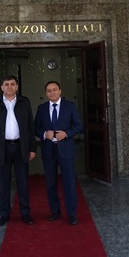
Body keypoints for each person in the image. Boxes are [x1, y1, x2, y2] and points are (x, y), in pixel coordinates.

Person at [0, 74, 36, 226]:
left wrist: (32, 148)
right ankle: (4, 214)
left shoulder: (24, 102)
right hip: (2, 148)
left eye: (12, 84)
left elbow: (30, 127)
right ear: (2, 87)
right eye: (6, 84)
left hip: (21, 147)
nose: (9, 87)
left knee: (23, 182)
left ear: (17, 87)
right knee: (4, 183)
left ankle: (25, 214)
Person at [35, 81, 84, 225]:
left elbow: (79, 126)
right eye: (49, 90)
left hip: (66, 150)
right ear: (46, 93)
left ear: (60, 91)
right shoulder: (41, 108)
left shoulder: (70, 106)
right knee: (50, 183)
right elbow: (35, 128)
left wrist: (66, 133)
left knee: (69, 183)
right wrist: (45, 134)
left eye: (54, 89)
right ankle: (55, 212)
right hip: (48, 151)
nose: (52, 92)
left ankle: (72, 214)